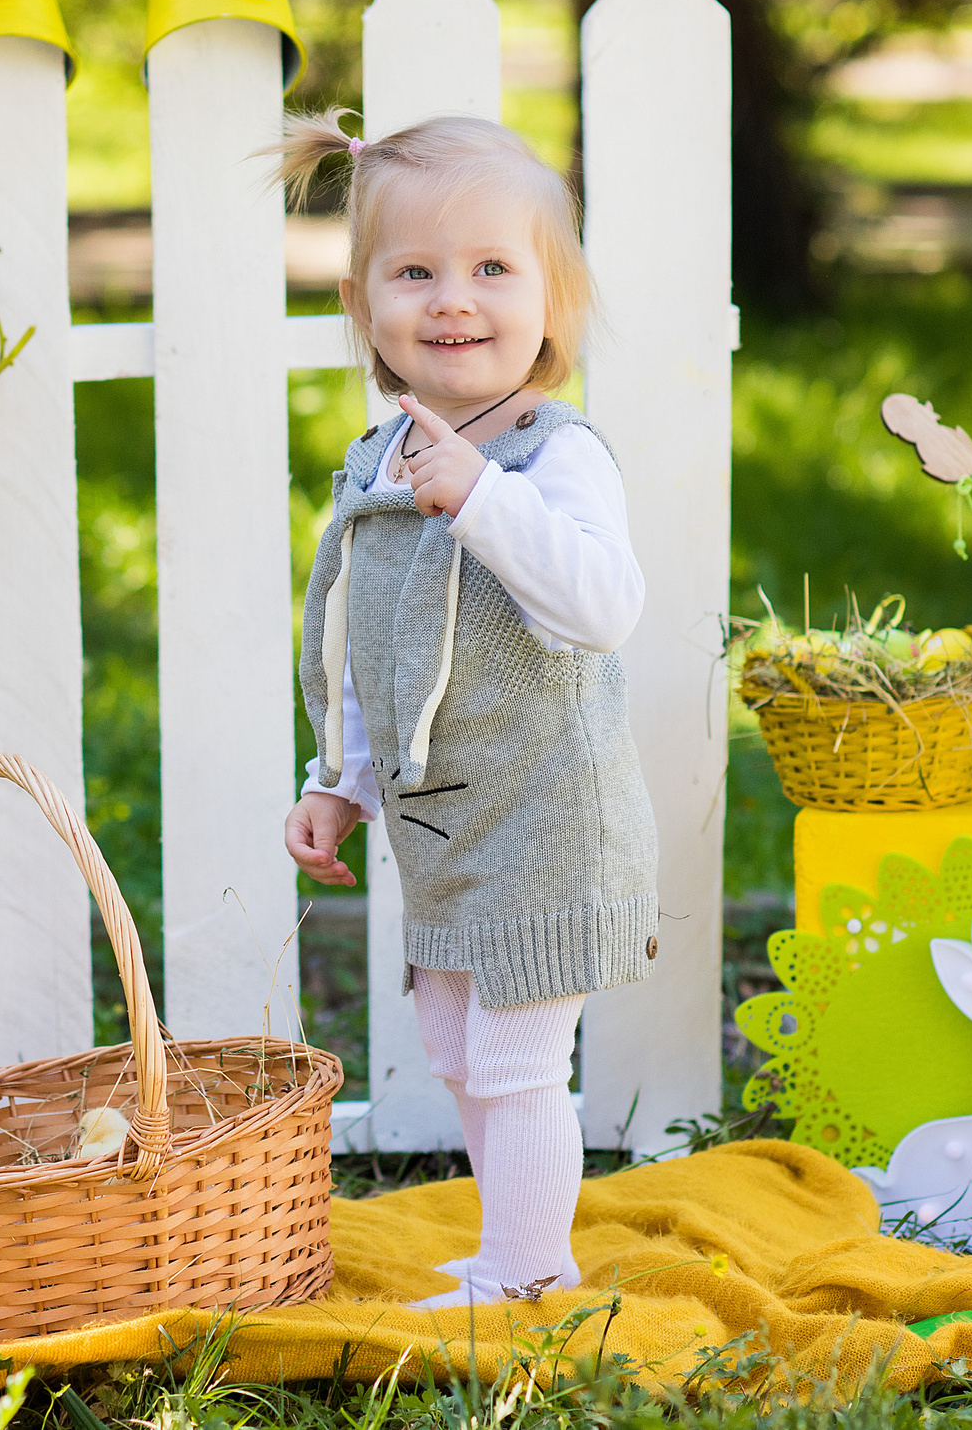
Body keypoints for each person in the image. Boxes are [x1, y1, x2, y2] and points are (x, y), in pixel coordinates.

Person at [279, 110, 659, 1310]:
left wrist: (484, 501)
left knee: (516, 1059)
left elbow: (601, 606)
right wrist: (336, 778)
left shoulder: (554, 456)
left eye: (493, 268)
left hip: (546, 819)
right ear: (363, 304)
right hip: (441, 827)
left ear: (554, 298)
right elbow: (366, 640)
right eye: (416, 272)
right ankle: (513, 1241)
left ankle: (531, 1269)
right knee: (456, 1054)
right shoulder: (380, 452)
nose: (455, 298)